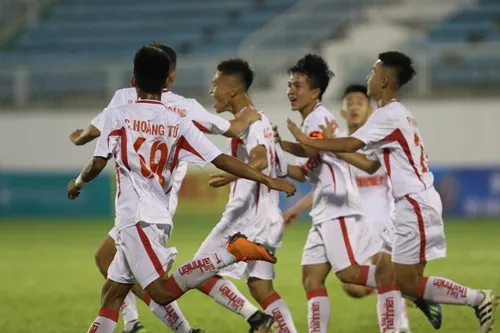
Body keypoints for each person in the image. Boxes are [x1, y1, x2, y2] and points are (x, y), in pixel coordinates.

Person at [67, 45, 296, 333]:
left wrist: (77, 183)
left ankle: (232, 253)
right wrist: (266, 179)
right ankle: (156, 325)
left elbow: (97, 162)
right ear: (167, 82)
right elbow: (221, 158)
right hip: (158, 214)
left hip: (135, 217)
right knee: (111, 295)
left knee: (162, 292)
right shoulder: (180, 120)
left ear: (133, 79)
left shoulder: (118, 113)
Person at [286, 51, 497, 333]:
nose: (368, 78)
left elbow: (349, 147)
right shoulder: (389, 115)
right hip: (405, 205)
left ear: (384, 80)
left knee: (396, 281)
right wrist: (322, 145)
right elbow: (369, 162)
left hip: (414, 203)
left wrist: (308, 142)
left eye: (372, 73)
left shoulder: (390, 114)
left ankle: (476, 298)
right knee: (387, 277)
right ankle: (401, 325)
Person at [283, 84, 442, 332]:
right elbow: (330, 185)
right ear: (343, 112)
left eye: (360, 101)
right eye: (350, 102)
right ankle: (413, 292)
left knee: (381, 272)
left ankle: (401, 325)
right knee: (354, 288)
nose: (354, 106)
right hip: (354, 221)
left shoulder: (379, 140)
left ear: (370, 110)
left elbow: (391, 173)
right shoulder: (336, 144)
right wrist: (298, 208)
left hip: (385, 222)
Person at [274, 54, 382, 333]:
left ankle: (407, 284)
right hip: (324, 207)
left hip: (339, 206)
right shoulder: (311, 121)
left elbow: (311, 149)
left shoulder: (317, 119)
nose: (291, 91)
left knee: (349, 275)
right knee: (311, 278)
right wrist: (276, 160)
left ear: (315, 92)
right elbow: (305, 171)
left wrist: (283, 143)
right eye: (289, 85)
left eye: (297, 85)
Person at [192, 58, 297, 333]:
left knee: (197, 273)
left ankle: (256, 319)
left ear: (232, 90)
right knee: (261, 288)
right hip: (265, 215)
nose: (211, 91)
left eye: (215, 85)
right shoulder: (258, 120)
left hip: (248, 216)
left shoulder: (254, 122)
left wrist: (231, 174)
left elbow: (260, 160)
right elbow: (274, 162)